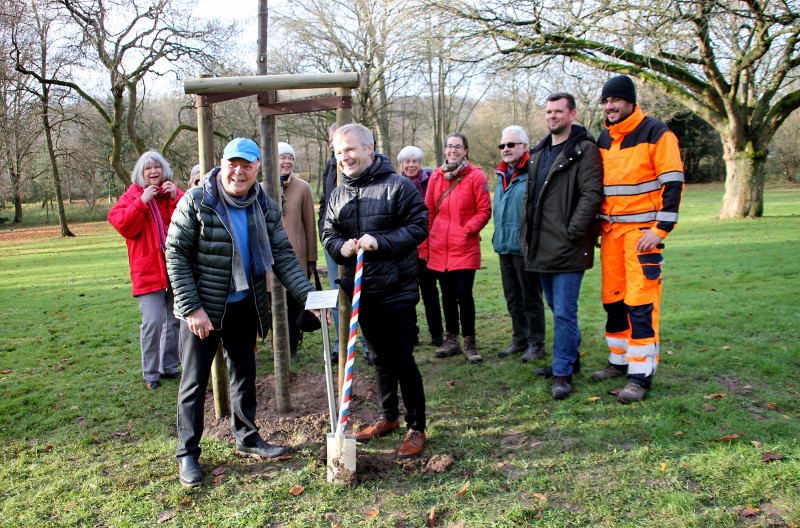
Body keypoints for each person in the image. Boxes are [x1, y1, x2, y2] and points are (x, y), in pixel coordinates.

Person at [166, 137, 319, 487]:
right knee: (193, 384)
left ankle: (247, 438)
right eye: (233, 163)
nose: (239, 172)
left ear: (256, 169)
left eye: (247, 165)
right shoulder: (197, 201)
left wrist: (309, 297)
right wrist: (192, 308)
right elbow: (175, 255)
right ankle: (187, 455)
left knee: (244, 375)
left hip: (244, 306)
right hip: (202, 311)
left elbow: (282, 255)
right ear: (222, 163)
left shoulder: (263, 204)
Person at [322, 124, 429, 458]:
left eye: (350, 150)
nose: (345, 158)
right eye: (339, 152)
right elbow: (328, 233)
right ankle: (388, 418)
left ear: (369, 148)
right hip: (360, 291)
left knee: (400, 359)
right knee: (378, 358)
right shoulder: (338, 193)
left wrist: (379, 241)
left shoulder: (397, 186)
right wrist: (343, 247)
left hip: (395, 289)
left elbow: (419, 226)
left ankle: (416, 427)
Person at [591, 75, 685, 403]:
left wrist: (659, 231)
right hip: (612, 236)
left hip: (642, 238)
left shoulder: (657, 133)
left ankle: (640, 376)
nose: (609, 106)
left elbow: (673, 183)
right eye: (605, 101)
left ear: (631, 101)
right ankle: (618, 362)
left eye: (615, 100)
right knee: (613, 301)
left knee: (641, 304)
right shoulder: (605, 137)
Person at [520, 93, 604, 399]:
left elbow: (592, 194)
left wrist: (573, 232)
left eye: (558, 111)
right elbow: (530, 199)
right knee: (556, 308)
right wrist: (526, 235)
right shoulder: (540, 152)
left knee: (565, 311)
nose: (552, 116)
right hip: (542, 245)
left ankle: (563, 371)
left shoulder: (584, 150)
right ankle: (569, 359)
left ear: (572, 114)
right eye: (548, 112)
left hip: (568, 245)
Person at [108, 151, 183, 391]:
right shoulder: (131, 197)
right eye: (148, 169)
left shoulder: (171, 193)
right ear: (140, 173)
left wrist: (176, 198)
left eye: (157, 168)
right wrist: (141, 203)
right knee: (152, 322)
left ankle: (170, 368)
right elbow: (125, 226)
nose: (153, 172)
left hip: (174, 268)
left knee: (174, 321)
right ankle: (150, 374)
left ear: (164, 171)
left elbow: (187, 225)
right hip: (148, 270)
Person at [425, 133, 492, 363]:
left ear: (466, 150)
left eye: (458, 146)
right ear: (445, 150)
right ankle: (451, 339)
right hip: (439, 247)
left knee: (464, 295)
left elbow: (484, 211)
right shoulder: (435, 176)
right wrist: (427, 243)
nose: (453, 150)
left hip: (463, 246)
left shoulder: (476, 176)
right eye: (450, 146)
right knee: (447, 296)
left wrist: (466, 230)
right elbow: (429, 212)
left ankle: (469, 341)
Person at [492, 126, 547, 363]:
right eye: (503, 145)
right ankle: (520, 339)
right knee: (513, 297)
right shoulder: (502, 174)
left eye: (511, 145)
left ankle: (537, 343)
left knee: (530, 298)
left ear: (525, 146)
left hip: (525, 246)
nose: (506, 149)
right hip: (504, 246)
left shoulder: (534, 172)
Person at [397, 145, 443, 348]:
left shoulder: (431, 180)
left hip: (428, 247)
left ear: (421, 163)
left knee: (430, 292)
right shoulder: (395, 183)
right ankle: (411, 333)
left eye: (415, 161)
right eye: (407, 161)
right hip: (404, 248)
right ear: (401, 164)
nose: (411, 165)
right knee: (407, 295)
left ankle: (437, 334)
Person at [276, 142, 317, 361]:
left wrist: (311, 259)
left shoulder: (303, 187)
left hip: (296, 257)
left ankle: (292, 347)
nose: (287, 162)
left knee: (293, 304)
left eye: (290, 158)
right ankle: (277, 347)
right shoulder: (260, 187)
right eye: (282, 157)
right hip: (269, 260)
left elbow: (310, 225)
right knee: (275, 304)